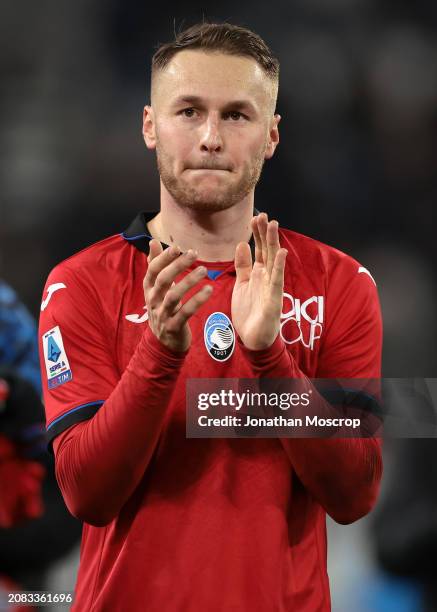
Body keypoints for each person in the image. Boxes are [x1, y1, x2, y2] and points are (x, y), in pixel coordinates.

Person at [38, 22, 383, 611]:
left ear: (272, 135)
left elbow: (353, 495)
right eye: (190, 111)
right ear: (150, 126)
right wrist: (161, 352)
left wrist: (271, 363)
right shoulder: (82, 284)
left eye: (237, 115)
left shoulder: (339, 285)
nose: (211, 138)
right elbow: (87, 494)